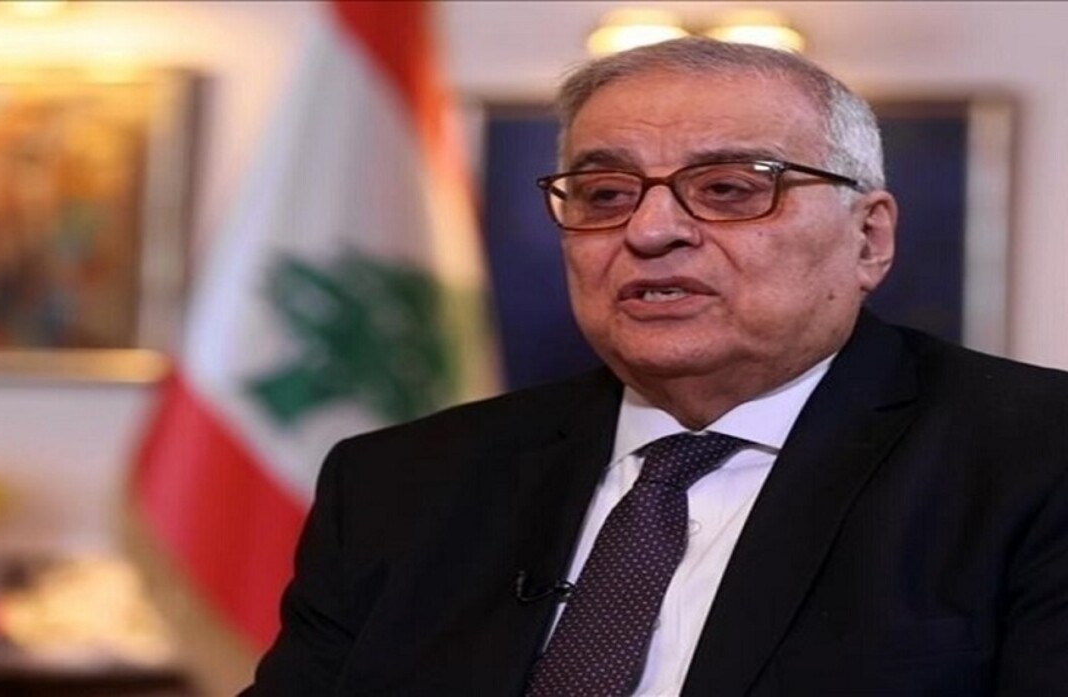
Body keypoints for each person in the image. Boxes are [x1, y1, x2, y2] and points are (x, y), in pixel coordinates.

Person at [243, 38, 1068, 696]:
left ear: (869, 238)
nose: (650, 230)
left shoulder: (1034, 458)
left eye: (730, 189)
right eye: (605, 194)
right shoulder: (399, 483)